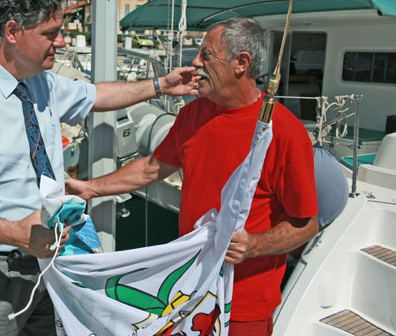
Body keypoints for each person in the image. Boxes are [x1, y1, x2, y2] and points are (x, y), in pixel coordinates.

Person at [0, 0, 198, 336]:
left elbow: (97, 96)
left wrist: (160, 85)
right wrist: (17, 234)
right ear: (12, 32)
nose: (61, 42)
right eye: (50, 33)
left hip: (48, 264)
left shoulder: (38, 81)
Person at [65, 17, 319, 336]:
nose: (195, 62)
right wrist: (88, 188)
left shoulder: (285, 133)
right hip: (188, 293)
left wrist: (254, 245)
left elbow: (307, 223)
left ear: (241, 63)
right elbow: (153, 167)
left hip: (242, 306)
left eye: (206, 54)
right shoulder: (193, 113)